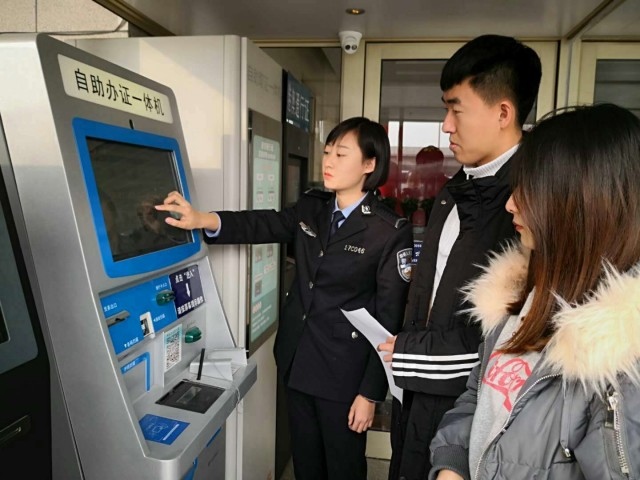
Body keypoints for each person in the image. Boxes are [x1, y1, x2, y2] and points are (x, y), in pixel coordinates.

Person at [155, 117, 413, 480]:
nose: (328, 161)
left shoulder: (387, 231)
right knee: (306, 465)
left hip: (345, 375)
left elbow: (389, 319)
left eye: (341, 154)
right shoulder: (312, 207)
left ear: (369, 164)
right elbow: (262, 223)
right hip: (298, 360)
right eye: (327, 152)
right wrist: (202, 219)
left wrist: (370, 394)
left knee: (343, 468)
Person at [429, 103, 640, 480]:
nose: (511, 203)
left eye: (532, 190)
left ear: (584, 202)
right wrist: (452, 465)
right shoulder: (521, 297)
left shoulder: (620, 360)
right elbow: (480, 396)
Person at [379, 34, 542, 480]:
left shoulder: (534, 205)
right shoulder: (456, 191)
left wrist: (407, 354)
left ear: (503, 113)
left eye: (456, 109)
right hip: (416, 399)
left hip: (466, 424)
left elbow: (514, 344)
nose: (446, 125)